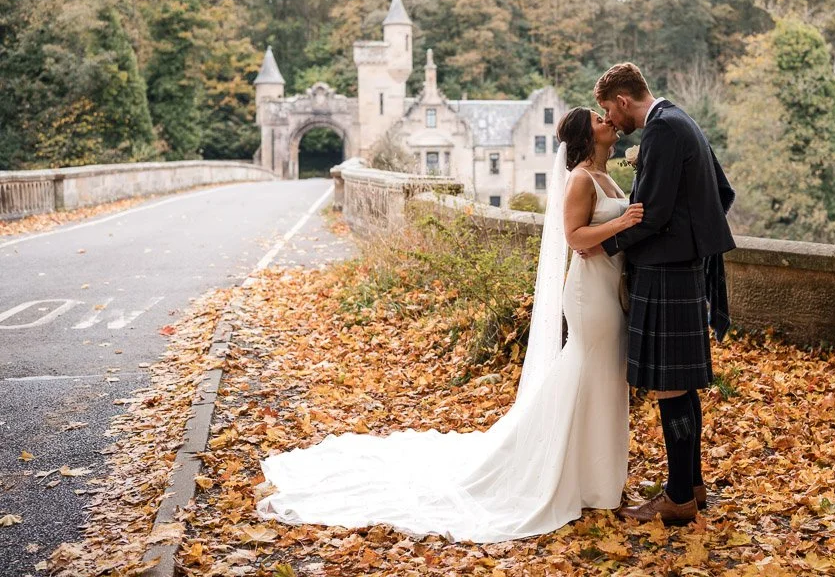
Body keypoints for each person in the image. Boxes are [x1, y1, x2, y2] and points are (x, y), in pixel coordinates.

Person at [256, 108, 643, 543]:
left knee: (605, 377)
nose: (607, 119)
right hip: (591, 295)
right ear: (583, 136)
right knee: (588, 372)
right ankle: (570, 474)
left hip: (610, 289)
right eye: (596, 118)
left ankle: (597, 477)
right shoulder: (580, 180)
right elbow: (574, 238)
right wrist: (621, 223)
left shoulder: (609, 177)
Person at [588, 62, 736, 526]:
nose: (611, 121)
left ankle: (676, 497)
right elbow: (722, 193)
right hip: (681, 268)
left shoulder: (661, 132)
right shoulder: (681, 119)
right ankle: (690, 486)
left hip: (666, 271)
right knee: (681, 385)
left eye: (609, 110)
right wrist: (693, 238)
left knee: (671, 387)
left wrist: (602, 245)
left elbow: (647, 215)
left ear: (625, 100)